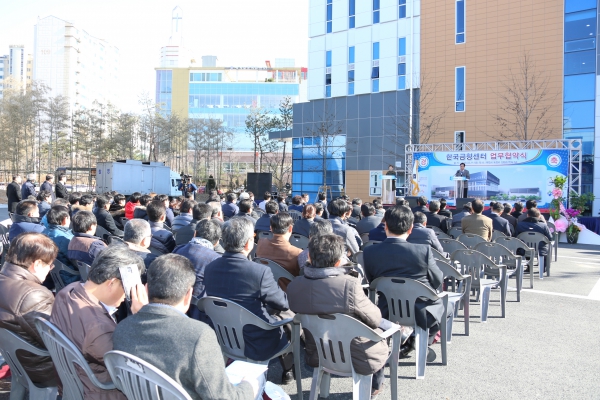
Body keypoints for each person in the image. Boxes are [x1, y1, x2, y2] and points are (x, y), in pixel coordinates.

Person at [112, 254, 258, 400]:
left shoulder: (122, 329)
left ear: (147, 288)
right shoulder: (199, 336)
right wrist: (249, 386)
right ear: (189, 294)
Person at [287, 234, 393, 397]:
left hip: (318, 351)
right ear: (338, 261)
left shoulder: (295, 285)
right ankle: (375, 386)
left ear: (309, 256)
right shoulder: (349, 285)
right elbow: (374, 319)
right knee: (383, 332)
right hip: (357, 355)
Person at [204, 218, 294, 384]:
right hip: (256, 341)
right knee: (288, 319)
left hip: (223, 337)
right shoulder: (259, 272)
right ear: (247, 244)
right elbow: (283, 303)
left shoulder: (210, 268)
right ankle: (289, 370)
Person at [50, 246, 147, 400]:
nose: (128, 297)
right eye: (128, 289)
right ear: (112, 283)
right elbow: (136, 365)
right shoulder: (99, 330)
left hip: (73, 383)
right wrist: (142, 318)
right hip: (98, 392)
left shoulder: (67, 292)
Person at [363, 205, 445, 362]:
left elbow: (372, 281)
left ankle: (410, 338)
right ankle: (419, 340)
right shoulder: (423, 251)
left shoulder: (370, 251)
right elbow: (437, 280)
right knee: (446, 307)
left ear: (385, 225)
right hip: (421, 313)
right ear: (411, 228)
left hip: (387, 310)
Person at [0, 233, 58, 386]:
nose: (50, 270)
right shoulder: (33, 294)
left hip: (17, 362)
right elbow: (57, 342)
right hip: (43, 370)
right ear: (37, 264)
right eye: (50, 265)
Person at [173, 222, 221, 320]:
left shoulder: (177, 250)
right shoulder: (216, 260)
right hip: (200, 314)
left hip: (174, 305)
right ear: (216, 242)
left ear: (195, 233)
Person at [256, 213, 302, 291]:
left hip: (263, 288)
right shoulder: (297, 253)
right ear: (290, 228)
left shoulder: (260, 243)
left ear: (271, 228)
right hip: (287, 292)